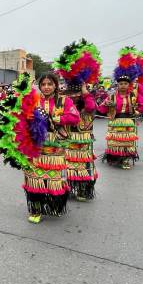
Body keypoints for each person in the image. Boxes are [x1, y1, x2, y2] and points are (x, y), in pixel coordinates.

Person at [22, 73, 80, 223]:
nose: (46, 87)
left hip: (56, 146)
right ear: (40, 86)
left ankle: (54, 206)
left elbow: (75, 117)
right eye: (43, 84)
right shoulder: (34, 101)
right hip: (36, 145)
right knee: (35, 178)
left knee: (54, 179)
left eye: (50, 84)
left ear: (55, 85)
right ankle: (36, 210)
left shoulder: (64, 101)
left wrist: (58, 118)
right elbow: (22, 118)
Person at [53, 39, 101, 202]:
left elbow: (91, 108)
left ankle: (83, 190)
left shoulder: (86, 95)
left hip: (82, 135)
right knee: (68, 164)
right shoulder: (63, 96)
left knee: (81, 164)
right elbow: (57, 113)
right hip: (66, 135)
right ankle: (69, 187)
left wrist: (85, 92)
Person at [100, 49, 143, 169]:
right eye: (120, 83)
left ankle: (125, 159)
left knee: (126, 142)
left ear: (129, 85)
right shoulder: (112, 95)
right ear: (117, 85)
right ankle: (113, 158)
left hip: (128, 121)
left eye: (125, 83)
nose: (123, 85)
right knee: (114, 142)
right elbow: (101, 108)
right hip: (115, 121)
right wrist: (107, 105)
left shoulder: (133, 95)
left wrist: (139, 111)